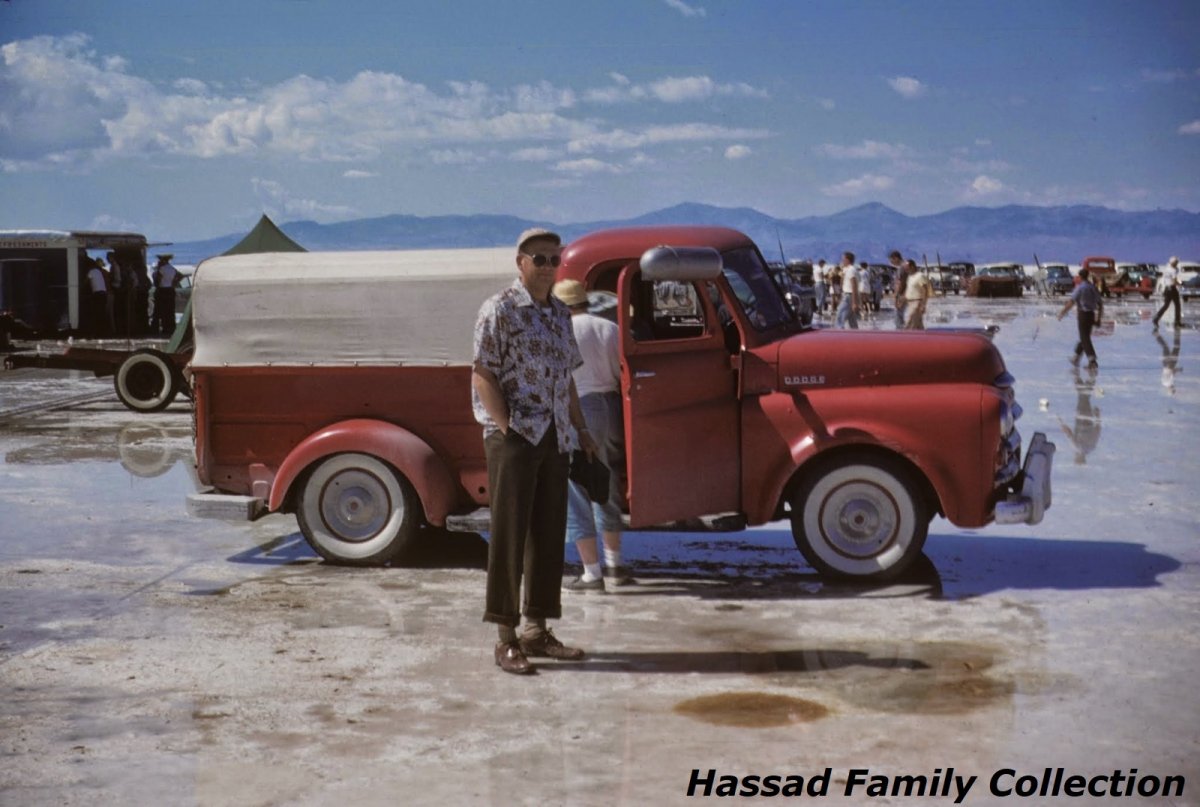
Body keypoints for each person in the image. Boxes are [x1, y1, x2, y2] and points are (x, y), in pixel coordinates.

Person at [472, 228, 596, 675]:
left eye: (553, 259)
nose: (547, 267)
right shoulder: (500, 309)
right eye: (538, 259)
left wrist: (581, 430)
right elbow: (483, 372)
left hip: (556, 436)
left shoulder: (560, 314)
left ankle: (536, 629)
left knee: (548, 534)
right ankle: (505, 637)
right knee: (508, 536)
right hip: (515, 436)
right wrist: (507, 428)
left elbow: (567, 380)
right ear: (520, 262)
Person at [552, 279, 632, 593]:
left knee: (577, 492)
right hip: (612, 407)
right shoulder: (608, 328)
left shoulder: (561, 332)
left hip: (581, 409)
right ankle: (615, 566)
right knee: (607, 485)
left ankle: (591, 573)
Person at [1057, 267, 1103, 369]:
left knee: (1084, 338)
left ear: (1080, 277)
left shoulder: (1080, 288)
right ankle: (1076, 358)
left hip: (1083, 315)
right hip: (1091, 315)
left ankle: (1092, 361)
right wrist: (1099, 318)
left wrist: (1062, 313)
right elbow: (1100, 304)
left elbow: (1071, 301)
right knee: (1084, 337)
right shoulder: (1093, 288)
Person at [151, 253, 181, 336]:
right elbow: (179, 276)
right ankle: (170, 327)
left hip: (162, 290)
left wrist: (157, 285)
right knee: (170, 310)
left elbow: (157, 280)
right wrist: (173, 283)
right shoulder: (172, 269)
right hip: (170, 290)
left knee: (158, 310)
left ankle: (155, 328)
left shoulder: (161, 269)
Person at [1152, 256, 1182, 331]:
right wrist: (1180, 283)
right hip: (1172, 289)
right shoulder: (1173, 270)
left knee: (1166, 305)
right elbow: (1174, 281)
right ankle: (1177, 322)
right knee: (1177, 305)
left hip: (1167, 289)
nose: (1177, 263)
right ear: (1173, 262)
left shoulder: (1166, 268)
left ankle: (1157, 318)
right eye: (1176, 262)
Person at [903, 261, 933, 329]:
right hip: (910, 302)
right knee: (918, 324)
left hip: (917, 302)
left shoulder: (920, 276)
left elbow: (925, 290)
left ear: (912, 267)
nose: (906, 270)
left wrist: (923, 304)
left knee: (910, 323)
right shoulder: (910, 277)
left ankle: (907, 338)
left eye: (907, 268)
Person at [834, 251, 859, 329]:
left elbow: (853, 285)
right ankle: (856, 336)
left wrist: (854, 302)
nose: (842, 261)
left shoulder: (851, 270)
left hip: (849, 296)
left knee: (839, 316)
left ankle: (838, 336)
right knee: (852, 319)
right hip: (848, 295)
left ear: (848, 260)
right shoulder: (847, 269)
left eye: (843, 259)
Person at [85, 256, 109, 336]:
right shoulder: (99, 272)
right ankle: (104, 331)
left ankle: (98, 331)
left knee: (97, 313)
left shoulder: (91, 271)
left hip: (97, 294)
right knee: (102, 312)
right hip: (103, 294)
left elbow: (86, 281)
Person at [889, 250, 907, 328]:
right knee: (901, 316)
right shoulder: (906, 266)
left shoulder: (901, 268)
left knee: (898, 317)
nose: (891, 263)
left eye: (891, 260)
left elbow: (900, 283)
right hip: (906, 294)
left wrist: (896, 296)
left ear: (896, 258)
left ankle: (900, 335)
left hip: (901, 294)